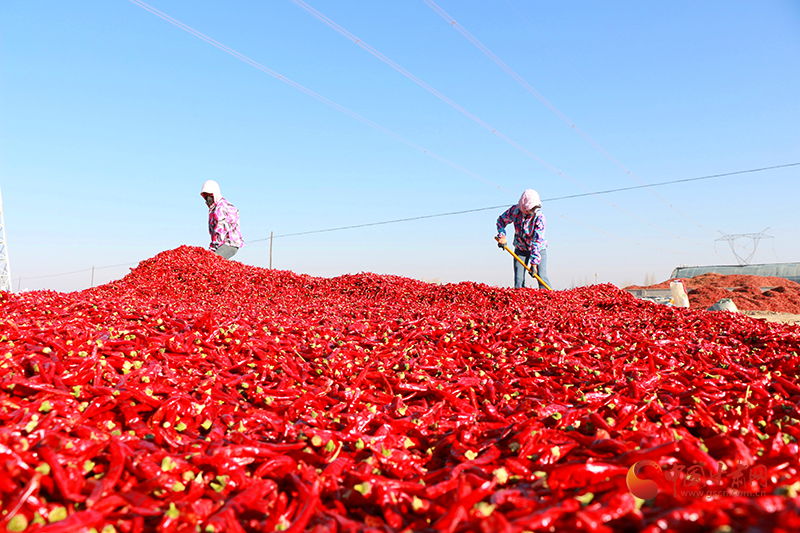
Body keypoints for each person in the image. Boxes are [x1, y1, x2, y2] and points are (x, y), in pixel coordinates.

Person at [495, 189, 551, 289]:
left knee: (541, 277)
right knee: (519, 279)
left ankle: (548, 300)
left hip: (538, 249)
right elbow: (501, 221)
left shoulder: (539, 218)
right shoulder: (515, 211)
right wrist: (502, 236)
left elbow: (537, 241)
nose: (532, 211)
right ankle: (520, 300)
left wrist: (534, 263)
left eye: (535, 208)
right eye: (531, 208)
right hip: (520, 248)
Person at [200, 180, 244, 259]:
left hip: (229, 244)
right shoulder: (213, 209)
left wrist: (212, 250)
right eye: (205, 196)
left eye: (210, 195)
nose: (208, 198)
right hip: (221, 244)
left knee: (212, 262)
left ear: (215, 194)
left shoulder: (221, 207)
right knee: (209, 262)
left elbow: (220, 232)